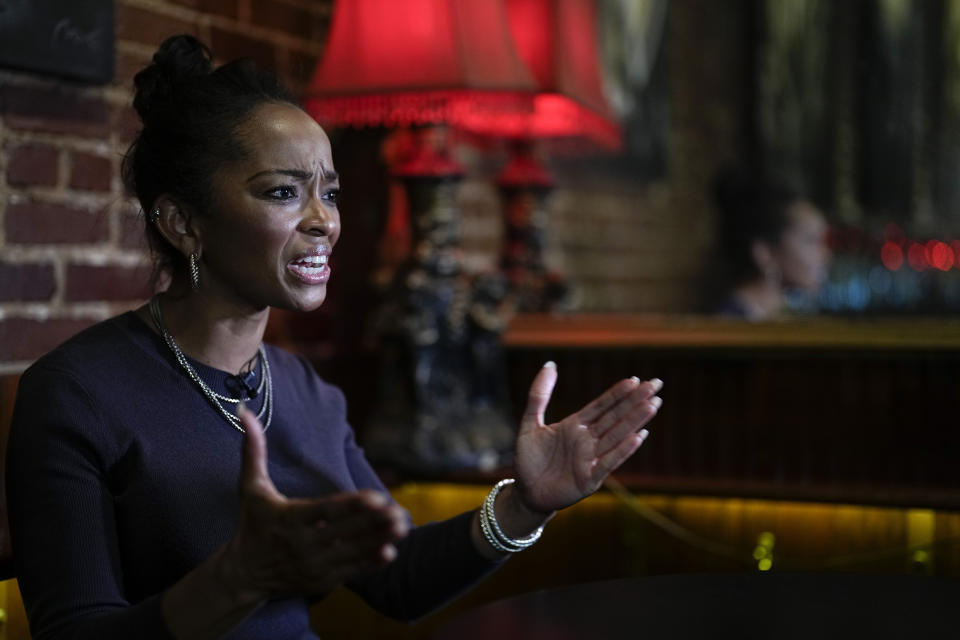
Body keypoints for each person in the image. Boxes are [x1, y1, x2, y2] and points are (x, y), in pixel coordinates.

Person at [6, 35, 663, 640]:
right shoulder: (76, 395)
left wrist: (524, 506)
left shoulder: (303, 391)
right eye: (284, 192)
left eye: (331, 192)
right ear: (182, 222)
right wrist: (237, 581)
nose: (324, 220)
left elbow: (398, 579)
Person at [708, 166, 831, 320]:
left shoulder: (780, 316)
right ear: (764, 252)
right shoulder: (729, 326)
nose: (825, 254)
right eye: (810, 241)